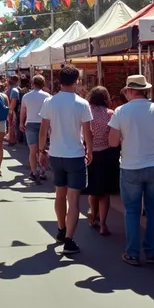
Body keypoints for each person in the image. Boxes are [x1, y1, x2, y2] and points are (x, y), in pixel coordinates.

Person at [108, 74, 154, 266]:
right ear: (145, 90)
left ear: (129, 91)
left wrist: (124, 136)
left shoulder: (121, 111)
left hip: (131, 166)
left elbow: (112, 142)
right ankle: (151, 252)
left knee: (132, 211)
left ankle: (132, 253)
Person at [38, 66, 93, 255]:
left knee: (59, 195)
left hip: (56, 153)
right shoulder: (82, 103)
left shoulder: (49, 102)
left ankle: (61, 229)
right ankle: (69, 239)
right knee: (74, 200)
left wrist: (41, 150)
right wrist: (90, 150)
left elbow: (43, 129)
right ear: (77, 80)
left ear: (59, 81)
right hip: (75, 154)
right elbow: (87, 132)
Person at [86, 86, 117, 237]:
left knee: (93, 190)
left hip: (90, 154)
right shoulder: (111, 114)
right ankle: (103, 223)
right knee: (104, 192)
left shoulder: (87, 112)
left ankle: (93, 215)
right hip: (107, 154)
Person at [20, 74, 50, 184]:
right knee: (42, 149)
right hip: (44, 123)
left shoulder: (26, 96)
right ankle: (42, 171)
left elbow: (23, 111)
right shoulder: (47, 96)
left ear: (32, 84)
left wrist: (21, 123)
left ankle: (34, 172)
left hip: (31, 123)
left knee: (32, 150)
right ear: (43, 84)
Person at [6, 74, 21, 146]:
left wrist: (10, 111)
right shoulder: (16, 88)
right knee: (13, 125)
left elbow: (13, 102)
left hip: (14, 110)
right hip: (16, 110)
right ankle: (13, 139)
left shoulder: (14, 90)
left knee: (12, 125)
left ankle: (12, 140)